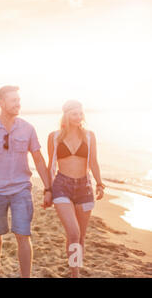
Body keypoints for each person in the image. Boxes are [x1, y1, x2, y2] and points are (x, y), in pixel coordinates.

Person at [0, 85, 51, 278]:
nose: (18, 104)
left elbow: (39, 159)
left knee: (23, 234)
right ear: (1, 102)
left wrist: (48, 188)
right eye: (14, 100)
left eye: (19, 100)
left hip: (21, 190)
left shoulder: (28, 128)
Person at [46, 100, 104, 278]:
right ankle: (76, 275)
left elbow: (93, 162)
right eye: (74, 114)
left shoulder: (89, 136)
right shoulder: (54, 137)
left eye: (80, 114)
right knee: (73, 232)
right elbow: (51, 165)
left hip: (84, 188)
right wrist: (47, 190)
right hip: (62, 186)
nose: (78, 117)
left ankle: (74, 270)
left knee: (80, 237)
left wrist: (100, 183)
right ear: (66, 115)